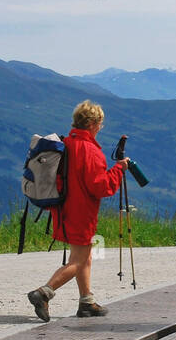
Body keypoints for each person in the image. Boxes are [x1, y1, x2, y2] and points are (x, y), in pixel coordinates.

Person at [27, 100, 129, 321]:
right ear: (93, 123)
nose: (101, 127)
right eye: (100, 123)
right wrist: (119, 169)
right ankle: (43, 292)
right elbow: (101, 186)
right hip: (81, 211)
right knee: (78, 261)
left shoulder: (67, 143)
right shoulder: (90, 151)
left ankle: (87, 302)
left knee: (84, 256)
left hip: (63, 208)